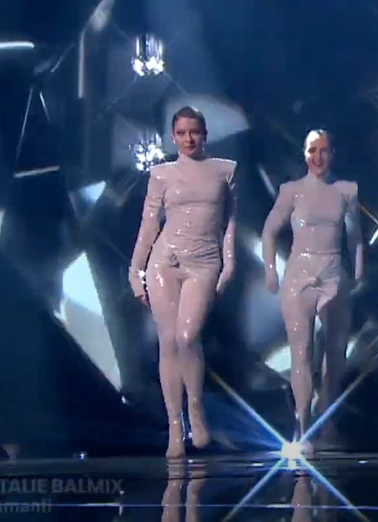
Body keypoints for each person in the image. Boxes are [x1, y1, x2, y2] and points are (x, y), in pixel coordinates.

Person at [129, 106, 237, 458]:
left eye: (194, 131)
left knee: (187, 337)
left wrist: (230, 264)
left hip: (204, 262)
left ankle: (196, 409)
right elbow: (149, 225)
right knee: (168, 341)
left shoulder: (225, 170)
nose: (188, 139)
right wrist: (135, 271)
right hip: (165, 262)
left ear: (205, 134)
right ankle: (175, 427)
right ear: (173, 136)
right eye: (181, 133)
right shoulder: (161, 174)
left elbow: (230, 223)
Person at [261, 129, 362, 455]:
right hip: (299, 273)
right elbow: (269, 232)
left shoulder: (346, 191)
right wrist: (270, 270)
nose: (318, 157)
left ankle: (327, 418)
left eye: (324, 150)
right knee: (301, 351)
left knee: (335, 353)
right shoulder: (291, 191)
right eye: (312, 150)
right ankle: (303, 426)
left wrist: (358, 270)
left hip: (333, 272)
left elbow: (354, 237)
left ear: (332, 153)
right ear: (304, 154)